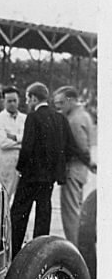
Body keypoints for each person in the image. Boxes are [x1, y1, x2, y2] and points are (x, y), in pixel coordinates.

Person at [10, 82, 90, 258]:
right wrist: (87, 162)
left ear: (33, 98)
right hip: (49, 178)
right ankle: (39, 253)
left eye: (28, 98)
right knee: (43, 214)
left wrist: (19, 169)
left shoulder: (33, 117)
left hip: (30, 176)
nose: (27, 102)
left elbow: (27, 147)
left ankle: (14, 252)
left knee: (18, 214)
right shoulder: (60, 118)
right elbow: (70, 147)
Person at [53, 85, 96, 245]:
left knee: (70, 214)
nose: (58, 106)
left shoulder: (74, 119)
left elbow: (80, 148)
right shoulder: (84, 115)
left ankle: (75, 249)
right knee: (76, 210)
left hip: (72, 169)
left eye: (61, 102)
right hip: (80, 170)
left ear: (70, 100)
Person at [0, 87, 26, 202]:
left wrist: (14, 137)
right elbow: (0, 142)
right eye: (9, 101)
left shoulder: (25, 119)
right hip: (5, 161)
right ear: (3, 102)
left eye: (15, 100)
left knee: (21, 196)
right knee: (4, 195)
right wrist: (21, 142)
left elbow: (29, 140)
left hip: (22, 161)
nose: (12, 104)